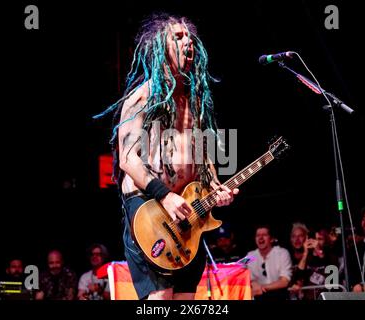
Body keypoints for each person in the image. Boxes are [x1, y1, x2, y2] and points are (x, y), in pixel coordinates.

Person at [94, 13, 238, 300]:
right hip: (150, 205)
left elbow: (201, 152)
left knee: (187, 298)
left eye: (190, 37)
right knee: (160, 300)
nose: (188, 42)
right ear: (160, 47)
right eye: (178, 37)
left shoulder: (195, 100)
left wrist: (216, 186)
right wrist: (164, 195)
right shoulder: (143, 96)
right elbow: (127, 159)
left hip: (187, 210)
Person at [246, 225, 292, 301]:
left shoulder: (282, 253)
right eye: (258, 235)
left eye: (264, 235)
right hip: (259, 297)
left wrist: (262, 287)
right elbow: (249, 279)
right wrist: (253, 283)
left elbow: (284, 281)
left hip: (280, 296)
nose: (260, 238)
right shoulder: (250, 256)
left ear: (271, 239)